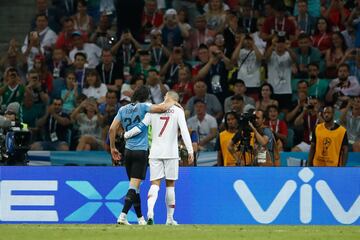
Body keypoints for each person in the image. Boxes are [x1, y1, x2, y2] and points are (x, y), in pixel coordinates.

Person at [109, 86, 178, 225]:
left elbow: (112, 129)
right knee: (134, 187)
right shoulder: (144, 106)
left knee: (135, 187)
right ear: (146, 97)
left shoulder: (122, 109)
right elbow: (161, 109)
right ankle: (122, 215)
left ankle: (140, 219)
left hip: (127, 151)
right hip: (141, 152)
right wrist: (173, 101)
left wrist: (112, 147)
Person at [123, 90, 194, 225]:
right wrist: (190, 151)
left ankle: (150, 212)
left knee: (155, 184)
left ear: (166, 96)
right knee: (170, 185)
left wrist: (126, 135)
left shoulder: (153, 109)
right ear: (176, 100)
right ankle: (169, 219)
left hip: (155, 153)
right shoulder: (178, 111)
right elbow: (184, 131)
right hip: (171, 153)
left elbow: (140, 127)